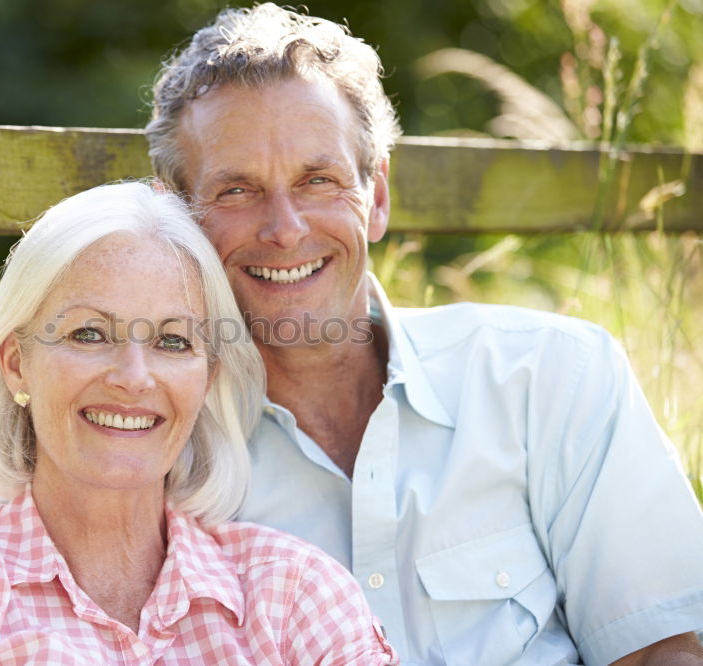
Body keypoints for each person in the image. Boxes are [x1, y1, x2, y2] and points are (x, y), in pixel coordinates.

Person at [138, 4, 703, 666]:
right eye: (237, 191)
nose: (285, 228)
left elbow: (659, 652)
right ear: (177, 216)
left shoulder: (553, 377)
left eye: (317, 180)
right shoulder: (152, 452)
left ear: (376, 196)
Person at [0, 182, 397, 665]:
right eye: (88, 334)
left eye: (173, 341)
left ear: (206, 379)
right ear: (17, 363)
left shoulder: (294, 592)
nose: (133, 377)